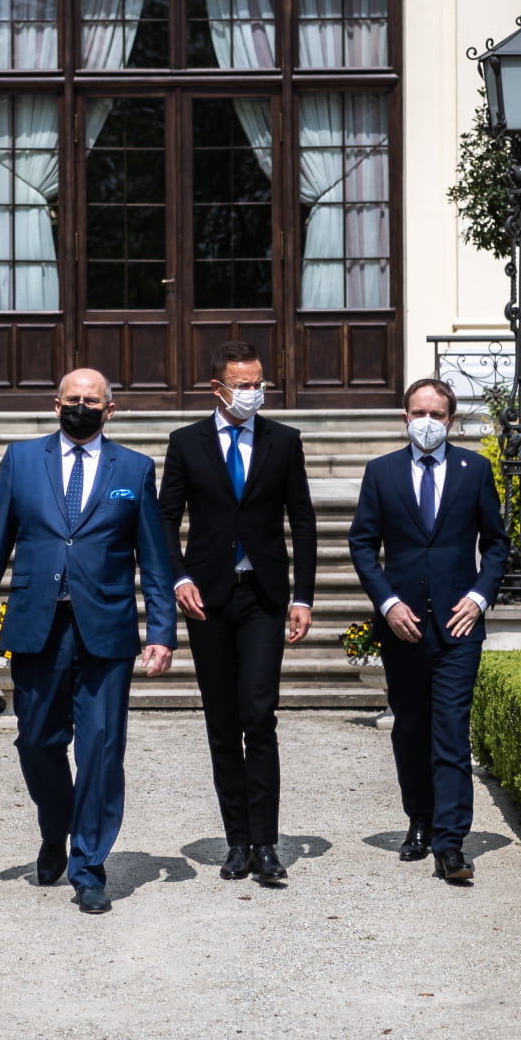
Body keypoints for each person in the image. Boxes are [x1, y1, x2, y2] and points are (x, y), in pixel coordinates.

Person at [0, 368, 175, 915]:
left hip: (106, 630)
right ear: (56, 405)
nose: (82, 407)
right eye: (73, 399)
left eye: (92, 401)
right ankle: (55, 827)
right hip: (38, 625)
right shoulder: (20, 460)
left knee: (101, 749)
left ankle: (88, 866)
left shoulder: (134, 468)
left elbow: (154, 559)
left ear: (110, 410)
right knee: (37, 742)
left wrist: (162, 631)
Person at [157, 340, 316, 886]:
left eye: (258, 384)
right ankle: (237, 841)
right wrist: (178, 578)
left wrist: (302, 596)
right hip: (208, 599)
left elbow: (303, 521)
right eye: (243, 385)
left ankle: (266, 843)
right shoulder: (186, 443)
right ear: (217, 388)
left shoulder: (283, 441)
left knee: (259, 714)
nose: (253, 393)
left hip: (263, 597)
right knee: (222, 721)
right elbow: (165, 519)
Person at [347, 377, 507, 884]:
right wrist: (388, 603)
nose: (428, 422)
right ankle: (419, 820)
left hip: (459, 626)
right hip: (404, 627)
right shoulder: (382, 472)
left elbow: (496, 544)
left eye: (437, 415)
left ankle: (451, 844)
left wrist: (479, 597)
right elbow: (361, 543)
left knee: (452, 733)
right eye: (419, 413)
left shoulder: (475, 470)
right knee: (411, 728)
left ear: (451, 421)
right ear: (405, 418)